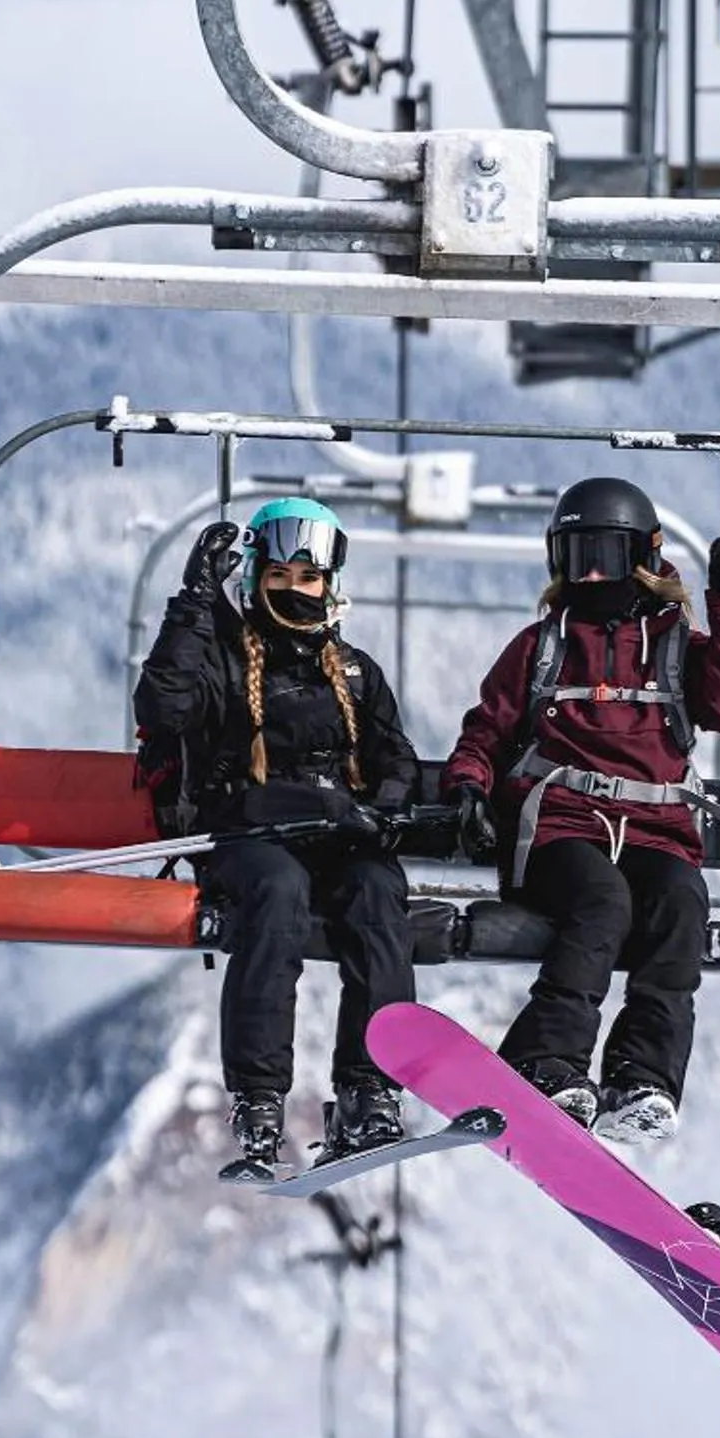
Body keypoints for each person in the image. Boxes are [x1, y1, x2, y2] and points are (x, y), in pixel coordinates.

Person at [441, 475, 720, 1149]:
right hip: (561, 826)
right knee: (603, 902)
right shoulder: (542, 646)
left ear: (643, 559)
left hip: (657, 830)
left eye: (606, 558)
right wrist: (469, 785)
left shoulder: (675, 647)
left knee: (681, 904)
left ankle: (641, 1078)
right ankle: (548, 1060)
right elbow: (487, 732)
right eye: (576, 557)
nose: (590, 575)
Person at [133, 497, 422, 1172]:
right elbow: (164, 704)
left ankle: (368, 1086)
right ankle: (260, 1097)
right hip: (250, 838)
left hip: (339, 839)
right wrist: (195, 604)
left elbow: (394, 757)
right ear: (255, 577)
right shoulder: (224, 663)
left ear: (330, 585)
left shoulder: (352, 672)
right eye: (281, 575)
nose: (296, 590)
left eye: (309, 576)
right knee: (278, 894)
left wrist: (387, 805)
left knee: (380, 894)